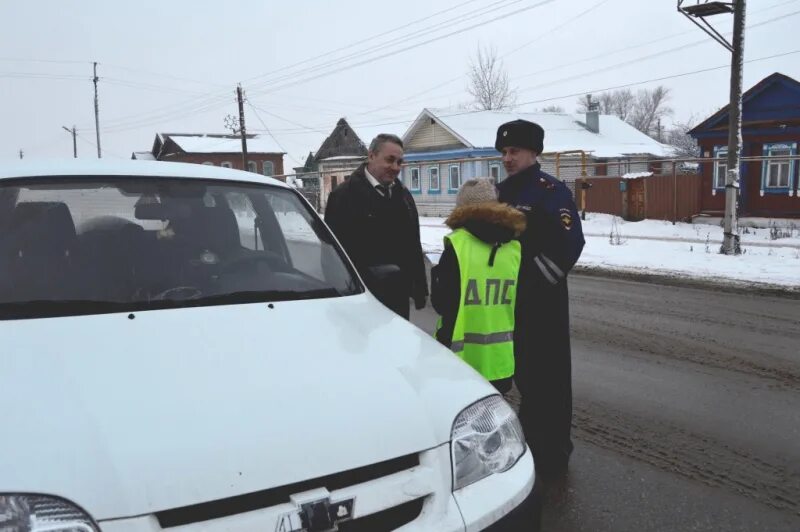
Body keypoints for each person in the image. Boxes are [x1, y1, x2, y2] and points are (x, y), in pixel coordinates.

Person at [494, 119, 585, 479]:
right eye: (503, 151)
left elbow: (568, 245)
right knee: (519, 375)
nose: (507, 157)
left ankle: (553, 450)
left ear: (534, 152)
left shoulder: (551, 191)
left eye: (514, 151)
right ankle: (524, 445)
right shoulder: (498, 193)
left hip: (542, 304)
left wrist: (530, 282)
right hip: (503, 303)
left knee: (550, 380)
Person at [431, 178, 526, 394]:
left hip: (459, 361)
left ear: (462, 210)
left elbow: (441, 303)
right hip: (500, 363)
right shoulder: (515, 249)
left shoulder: (457, 244)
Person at [324, 133, 427, 319]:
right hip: (362, 298)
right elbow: (331, 252)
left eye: (399, 162)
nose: (395, 167)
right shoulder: (344, 196)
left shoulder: (403, 196)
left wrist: (420, 288)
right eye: (390, 160)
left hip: (398, 296)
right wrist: (338, 293)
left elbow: (413, 244)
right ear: (371, 156)